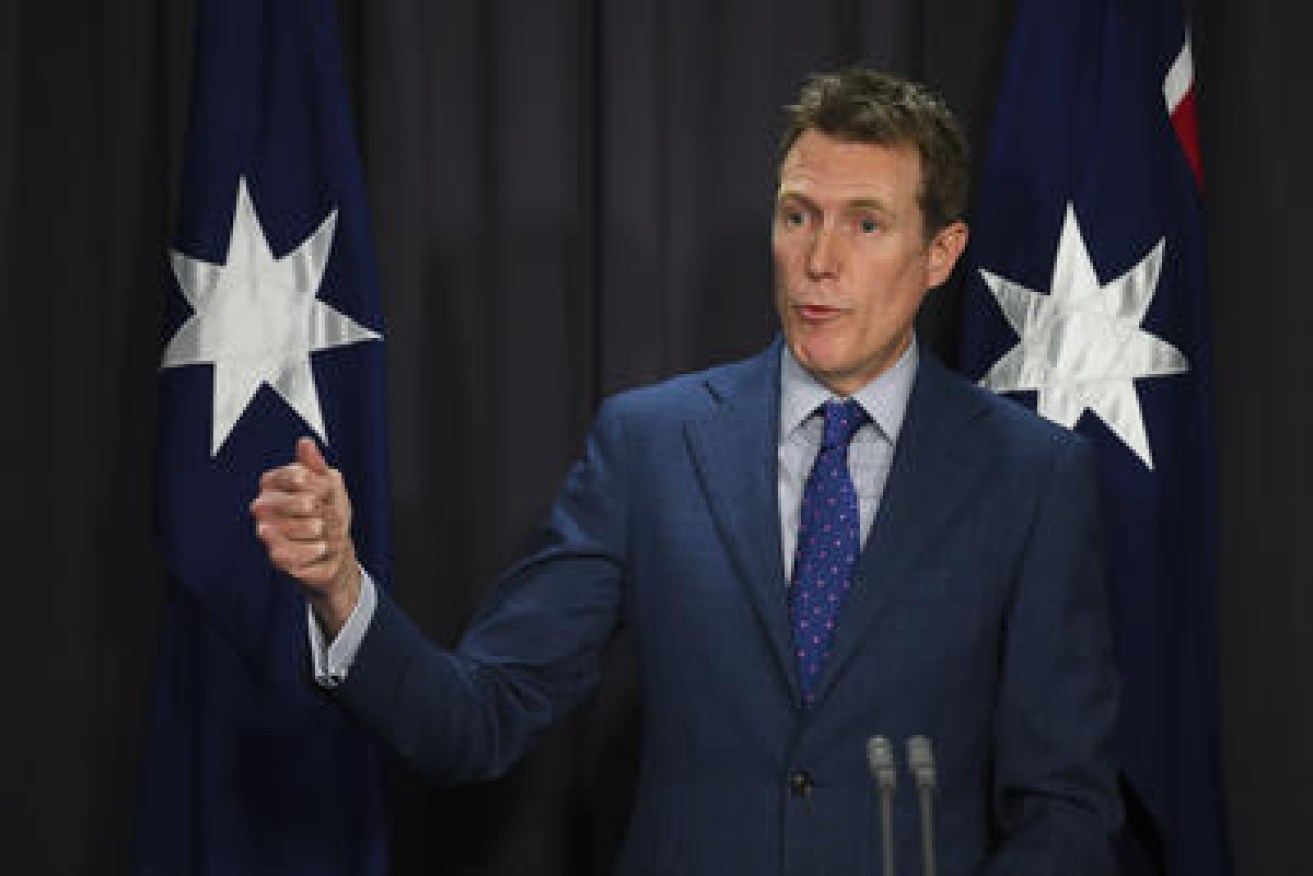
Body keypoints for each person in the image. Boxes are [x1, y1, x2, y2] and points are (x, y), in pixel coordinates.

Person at [252, 68, 1121, 874]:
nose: (820, 261)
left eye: (865, 223)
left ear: (940, 253)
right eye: (797, 216)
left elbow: (1066, 810)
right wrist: (340, 590)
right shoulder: (650, 445)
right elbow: (476, 717)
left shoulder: (1032, 478)